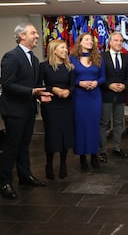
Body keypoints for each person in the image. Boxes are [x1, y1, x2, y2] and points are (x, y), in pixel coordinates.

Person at [0, 23, 52, 199]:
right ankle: (5, 182)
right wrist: (31, 92)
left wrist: (39, 95)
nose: (37, 35)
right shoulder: (11, 57)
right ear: (22, 36)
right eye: (33, 33)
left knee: (24, 146)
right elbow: (7, 85)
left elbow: (33, 86)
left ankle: (25, 176)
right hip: (14, 111)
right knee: (11, 147)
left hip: (29, 109)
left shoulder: (34, 59)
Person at [39, 40, 75, 180]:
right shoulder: (44, 67)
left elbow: (73, 86)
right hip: (50, 106)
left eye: (66, 48)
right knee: (52, 135)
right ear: (54, 50)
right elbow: (38, 85)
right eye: (62, 48)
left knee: (65, 135)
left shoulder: (70, 67)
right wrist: (52, 89)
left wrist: (68, 92)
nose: (65, 50)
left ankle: (63, 164)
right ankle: (48, 164)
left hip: (66, 105)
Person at [70, 33, 106, 172]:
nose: (90, 42)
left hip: (95, 96)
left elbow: (103, 78)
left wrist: (96, 82)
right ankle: (82, 157)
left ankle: (94, 155)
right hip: (79, 97)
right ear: (80, 42)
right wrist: (80, 83)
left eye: (92, 40)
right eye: (87, 39)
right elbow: (69, 79)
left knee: (94, 126)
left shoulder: (98, 58)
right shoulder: (72, 59)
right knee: (81, 126)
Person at [99, 32, 128, 163]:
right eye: (116, 40)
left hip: (121, 95)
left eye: (121, 41)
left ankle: (117, 148)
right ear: (110, 42)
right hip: (106, 95)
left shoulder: (126, 58)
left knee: (118, 123)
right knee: (103, 123)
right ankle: (102, 151)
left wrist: (124, 85)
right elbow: (100, 76)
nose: (119, 43)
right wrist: (109, 85)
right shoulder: (102, 57)